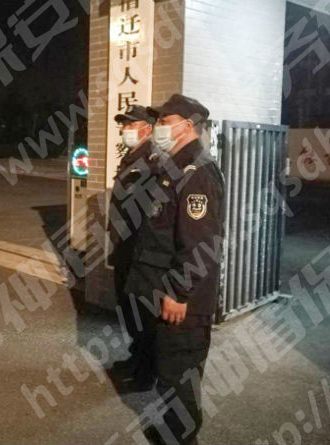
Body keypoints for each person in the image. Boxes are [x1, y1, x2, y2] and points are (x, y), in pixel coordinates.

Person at [124, 94, 225, 445]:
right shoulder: (175, 166)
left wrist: (179, 293)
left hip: (183, 298)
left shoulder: (197, 172)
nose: (159, 128)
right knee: (169, 369)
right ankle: (172, 427)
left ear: (187, 126)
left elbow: (200, 243)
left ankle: (181, 437)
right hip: (162, 286)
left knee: (179, 372)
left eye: (165, 122)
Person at [108, 105, 160, 392]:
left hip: (139, 249)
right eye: (124, 125)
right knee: (128, 307)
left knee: (143, 311)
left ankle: (147, 372)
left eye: (130, 125)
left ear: (147, 129)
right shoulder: (131, 157)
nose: (125, 130)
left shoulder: (153, 161)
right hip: (124, 246)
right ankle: (135, 356)